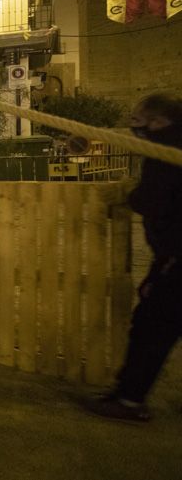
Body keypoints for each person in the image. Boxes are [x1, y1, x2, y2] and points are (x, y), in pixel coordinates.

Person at [85, 93, 182, 422]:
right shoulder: (168, 142)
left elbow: (152, 200)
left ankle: (128, 399)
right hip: (172, 253)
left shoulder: (166, 152)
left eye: (139, 121)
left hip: (177, 257)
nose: (133, 128)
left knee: (152, 327)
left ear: (158, 122)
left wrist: (128, 193)